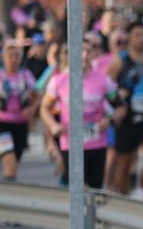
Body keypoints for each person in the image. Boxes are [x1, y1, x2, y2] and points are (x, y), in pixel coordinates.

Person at [43, 35, 118, 190]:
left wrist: (109, 119)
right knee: (77, 189)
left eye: (88, 51)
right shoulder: (58, 81)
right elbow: (44, 108)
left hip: (97, 142)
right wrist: (53, 125)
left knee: (95, 189)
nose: (84, 56)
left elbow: (119, 106)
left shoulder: (104, 80)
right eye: (80, 51)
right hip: (70, 143)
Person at [106, 23, 143, 197]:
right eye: (136, 35)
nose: (140, 38)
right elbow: (107, 87)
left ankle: (141, 191)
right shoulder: (120, 60)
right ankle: (124, 199)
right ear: (129, 38)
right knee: (123, 165)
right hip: (127, 117)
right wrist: (117, 99)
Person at [0, 39, 37, 181]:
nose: (13, 60)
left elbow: (38, 95)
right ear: (4, 58)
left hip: (20, 123)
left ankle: (4, 185)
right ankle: (6, 192)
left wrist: (32, 109)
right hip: (1, 123)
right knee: (9, 160)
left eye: (16, 56)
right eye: (10, 56)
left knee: (13, 163)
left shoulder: (26, 75)